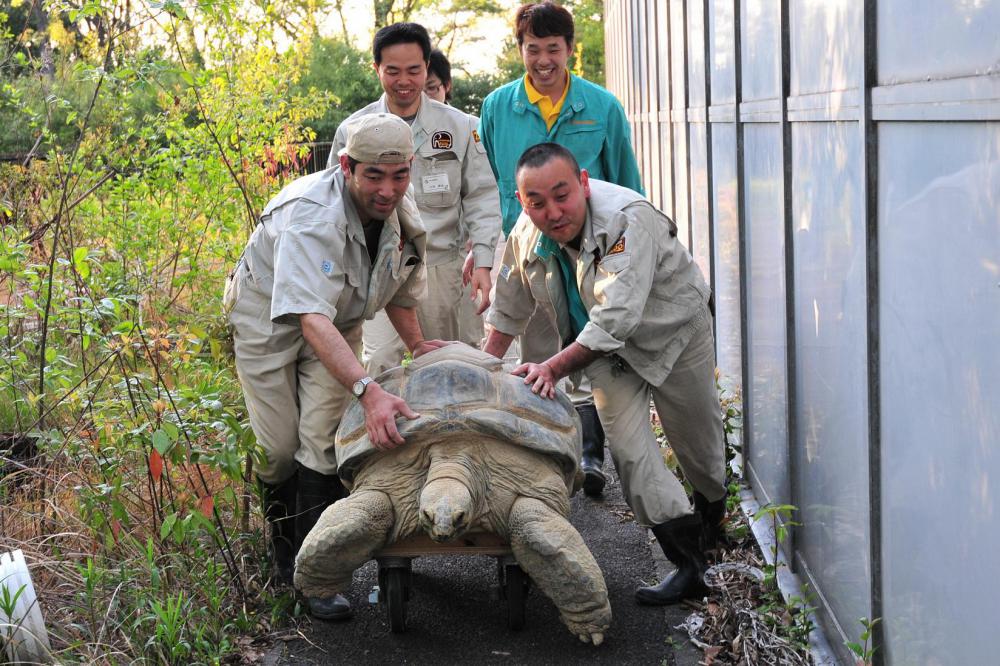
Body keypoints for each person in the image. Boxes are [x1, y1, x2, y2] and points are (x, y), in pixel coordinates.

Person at [226, 114, 450, 619]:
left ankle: (313, 576)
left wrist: (418, 346)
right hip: (269, 319)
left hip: (338, 318)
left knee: (321, 441)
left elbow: (394, 286)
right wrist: (369, 391)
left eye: (399, 176)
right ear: (347, 167)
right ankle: (281, 553)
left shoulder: (398, 211)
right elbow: (309, 318)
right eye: (374, 176)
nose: (388, 189)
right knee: (277, 448)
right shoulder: (313, 217)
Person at [484, 143, 727, 605]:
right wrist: (483, 368)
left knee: (701, 449)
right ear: (522, 201)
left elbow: (618, 316)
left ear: (584, 182)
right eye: (537, 202)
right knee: (631, 453)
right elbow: (510, 304)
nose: (553, 212)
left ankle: (713, 518)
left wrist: (551, 368)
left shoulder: (625, 219)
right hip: (603, 352)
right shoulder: (526, 233)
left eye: (562, 195)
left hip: (673, 333)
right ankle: (689, 564)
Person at [478, 1, 644, 497]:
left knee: (593, 349)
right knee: (539, 358)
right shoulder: (497, 108)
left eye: (554, 49)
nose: (544, 60)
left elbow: (628, 187)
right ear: (520, 51)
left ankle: (592, 455)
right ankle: (552, 455)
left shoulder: (602, 108)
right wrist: (483, 252)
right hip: (528, 256)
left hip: (592, 255)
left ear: (571, 49)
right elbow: (487, 188)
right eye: (534, 49)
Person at [327, 23, 500, 375]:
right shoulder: (352, 131)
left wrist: (482, 259)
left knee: (455, 366)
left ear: (427, 67)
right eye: (392, 71)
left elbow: (482, 196)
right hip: (376, 267)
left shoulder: (462, 127)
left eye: (414, 70)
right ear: (377, 69)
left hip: (442, 269)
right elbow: (334, 204)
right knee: (378, 363)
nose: (403, 80)